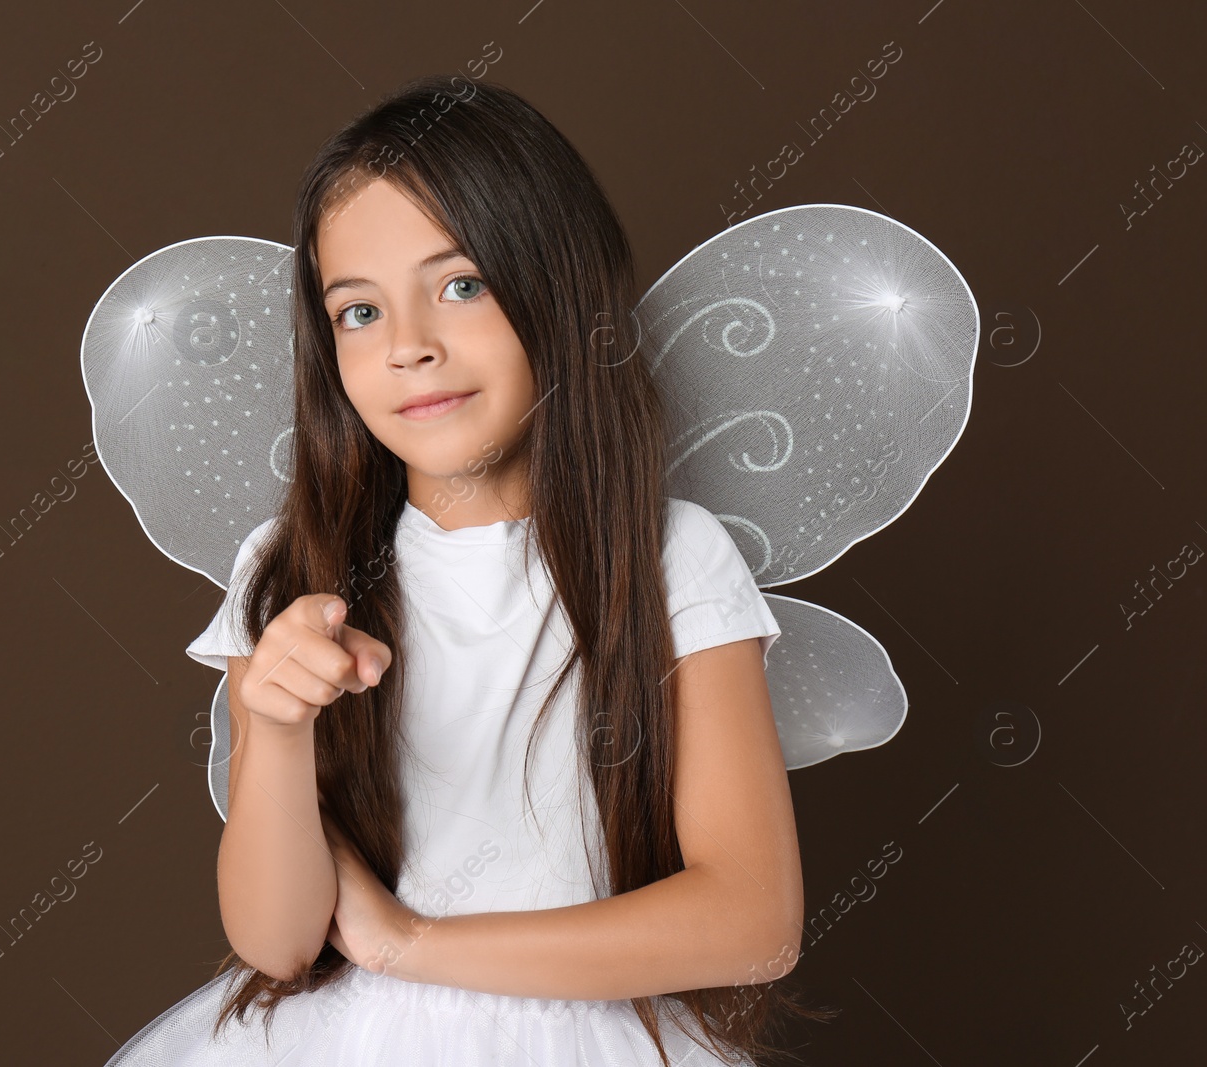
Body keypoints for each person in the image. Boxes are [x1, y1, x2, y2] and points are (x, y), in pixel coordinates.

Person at [102, 73, 835, 1067]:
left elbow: (753, 920)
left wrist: (414, 943)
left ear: (553, 288)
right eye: (358, 312)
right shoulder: (290, 571)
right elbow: (275, 938)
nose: (409, 346)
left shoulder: (667, 557)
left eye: (460, 285)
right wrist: (272, 730)